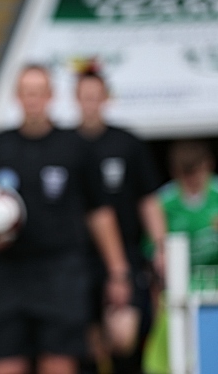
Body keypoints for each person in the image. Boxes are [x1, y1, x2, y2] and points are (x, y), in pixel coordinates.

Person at [0, 66, 131, 374]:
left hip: (61, 272)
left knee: (58, 362)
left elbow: (99, 212)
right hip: (7, 272)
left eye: (39, 92)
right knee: (4, 363)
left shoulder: (76, 146)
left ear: (51, 96)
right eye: (26, 92)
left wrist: (118, 272)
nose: (33, 99)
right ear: (17, 97)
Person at [75, 69, 166, 373]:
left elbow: (148, 200)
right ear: (76, 99)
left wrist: (160, 247)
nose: (90, 103)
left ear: (105, 99)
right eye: (84, 96)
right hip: (77, 259)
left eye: (95, 96)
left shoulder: (128, 144)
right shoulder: (66, 144)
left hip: (124, 255)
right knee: (84, 344)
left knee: (126, 339)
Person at [160, 140, 218, 286]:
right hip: (180, 284)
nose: (192, 179)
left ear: (209, 165)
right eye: (185, 174)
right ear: (174, 172)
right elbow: (154, 252)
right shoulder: (162, 202)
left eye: (197, 172)